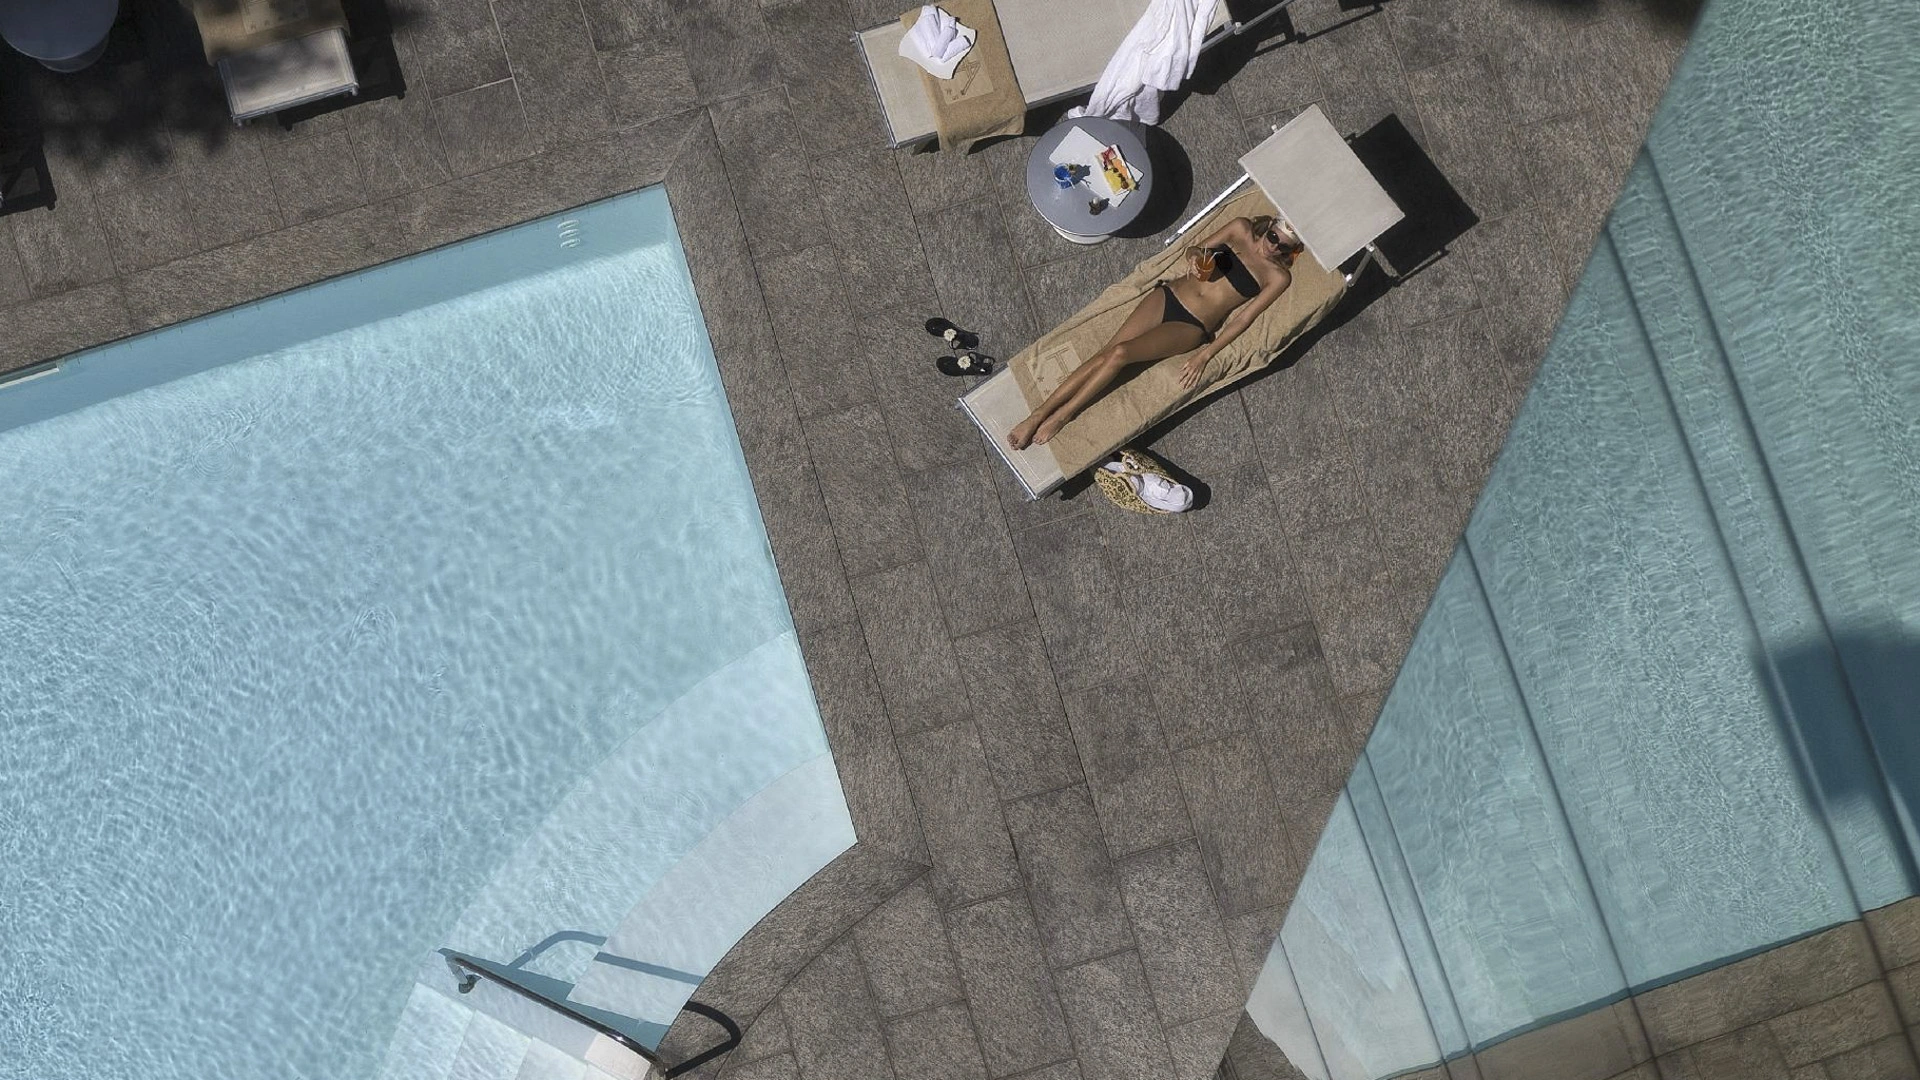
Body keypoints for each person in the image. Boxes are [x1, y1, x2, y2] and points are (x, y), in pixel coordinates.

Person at [1007, 215, 1303, 451]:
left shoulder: (1277, 276)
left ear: (1290, 252)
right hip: (1169, 296)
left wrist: (1205, 355)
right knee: (1105, 353)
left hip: (1191, 325)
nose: (1274, 247)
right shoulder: (1240, 229)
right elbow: (1195, 248)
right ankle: (1037, 415)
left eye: (1283, 247)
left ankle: (1064, 413)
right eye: (1273, 237)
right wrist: (1195, 257)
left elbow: (1244, 320)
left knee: (1120, 354)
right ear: (1269, 227)